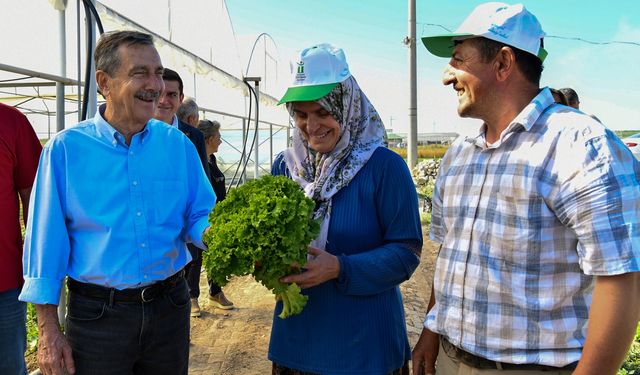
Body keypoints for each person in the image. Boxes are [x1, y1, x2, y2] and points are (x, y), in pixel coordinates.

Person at [414, 3, 640, 375]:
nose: (446, 75)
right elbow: (451, 256)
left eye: (458, 59)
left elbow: (620, 280)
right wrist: (430, 331)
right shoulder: (460, 154)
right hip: (452, 359)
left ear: (503, 63)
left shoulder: (581, 147)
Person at [19, 30, 216, 375]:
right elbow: (45, 245)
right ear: (104, 82)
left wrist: (216, 234)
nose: (155, 84)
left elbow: (199, 213)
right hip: (98, 319)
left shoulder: (178, 146)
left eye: (157, 72)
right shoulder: (66, 150)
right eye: (140, 72)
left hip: (169, 306)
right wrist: (48, 329)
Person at [269, 43, 423, 375]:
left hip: (366, 347)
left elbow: (407, 251)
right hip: (295, 344)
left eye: (323, 112)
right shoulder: (286, 166)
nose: (311, 125)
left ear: (348, 106)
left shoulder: (384, 168)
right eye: (300, 113)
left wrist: (340, 268)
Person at [154, 70, 222, 317]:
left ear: (180, 98)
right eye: (159, 93)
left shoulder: (190, 136)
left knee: (189, 266)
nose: (164, 100)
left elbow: (199, 186)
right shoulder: (134, 132)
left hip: (186, 229)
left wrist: (204, 226)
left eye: (171, 94)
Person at [0, 103, 42, 375]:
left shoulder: (11, 122)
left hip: (3, 283)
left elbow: (35, 196)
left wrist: (38, 259)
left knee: (9, 365)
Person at [196, 119, 234, 311]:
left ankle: (215, 292)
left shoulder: (212, 159)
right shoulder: (199, 161)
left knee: (214, 255)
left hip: (217, 216)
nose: (221, 141)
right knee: (195, 259)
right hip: (202, 218)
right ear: (210, 138)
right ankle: (192, 298)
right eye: (218, 137)